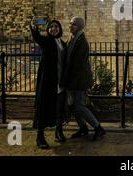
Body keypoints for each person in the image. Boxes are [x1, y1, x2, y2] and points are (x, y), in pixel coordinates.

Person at [62, 16, 106, 141]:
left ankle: (98, 128)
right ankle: (83, 128)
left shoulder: (81, 42)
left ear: (79, 26)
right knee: (72, 106)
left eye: (73, 24)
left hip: (79, 79)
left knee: (79, 106)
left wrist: (67, 79)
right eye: (70, 23)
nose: (70, 26)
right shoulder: (72, 38)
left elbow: (77, 64)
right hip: (72, 79)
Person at [30, 18, 67, 149]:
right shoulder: (47, 41)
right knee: (43, 107)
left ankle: (58, 132)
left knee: (59, 108)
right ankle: (40, 136)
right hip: (48, 81)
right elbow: (37, 37)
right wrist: (34, 27)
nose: (53, 29)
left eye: (56, 26)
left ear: (60, 29)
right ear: (48, 30)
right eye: (51, 27)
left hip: (60, 81)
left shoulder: (62, 43)